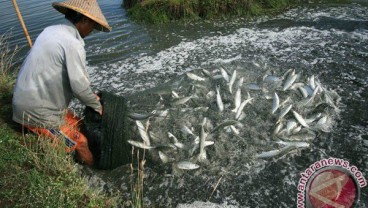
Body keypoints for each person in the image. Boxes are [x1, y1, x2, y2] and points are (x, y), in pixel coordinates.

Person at [12, 0, 112, 166]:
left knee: (80, 124)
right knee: (80, 143)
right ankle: (93, 172)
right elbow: (80, 87)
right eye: (93, 25)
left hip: (34, 101)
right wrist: (97, 106)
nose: (92, 30)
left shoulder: (50, 31)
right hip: (34, 114)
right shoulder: (73, 44)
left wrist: (90, 98)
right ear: (85, 20)